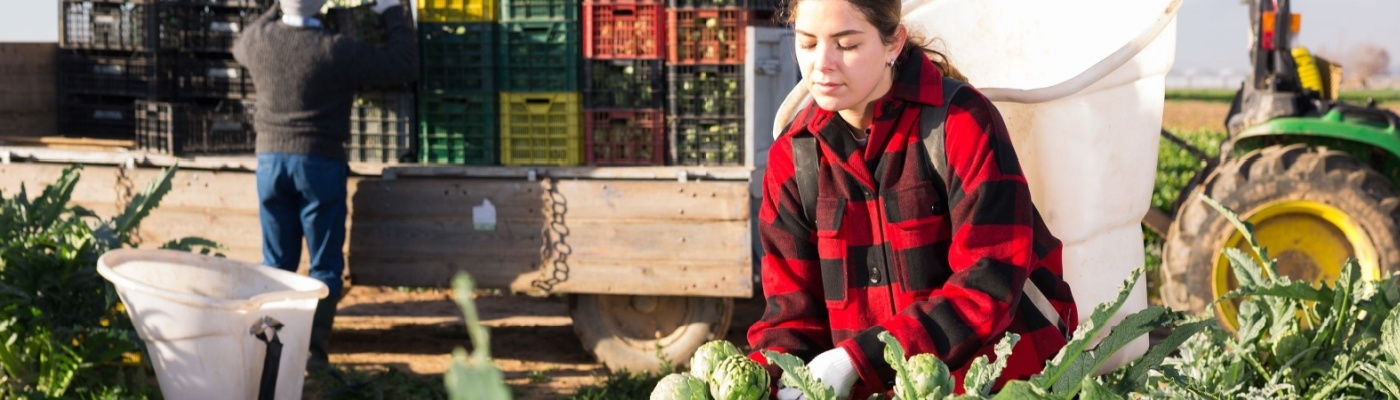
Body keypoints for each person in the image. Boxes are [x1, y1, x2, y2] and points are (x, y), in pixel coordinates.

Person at [746, 0, 1078, 398]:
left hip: (1000, 383)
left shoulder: (960, 124)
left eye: (847, 45)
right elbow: (791, 316)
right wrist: (762, 377)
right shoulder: (794, 158)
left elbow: (989, 283)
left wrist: (859, 359)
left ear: (893, 43)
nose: (822, 64)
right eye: (807, 43)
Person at [232, 0, 418, 372]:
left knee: (275, 263)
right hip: (319, 163)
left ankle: (271, 351)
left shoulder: (258, 42)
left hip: (270, 163)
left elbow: (240, 43)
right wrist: (390, 12)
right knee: (324, 266)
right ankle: (313, 355)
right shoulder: (337, 49)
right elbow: (403, 65)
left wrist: (276, 10)